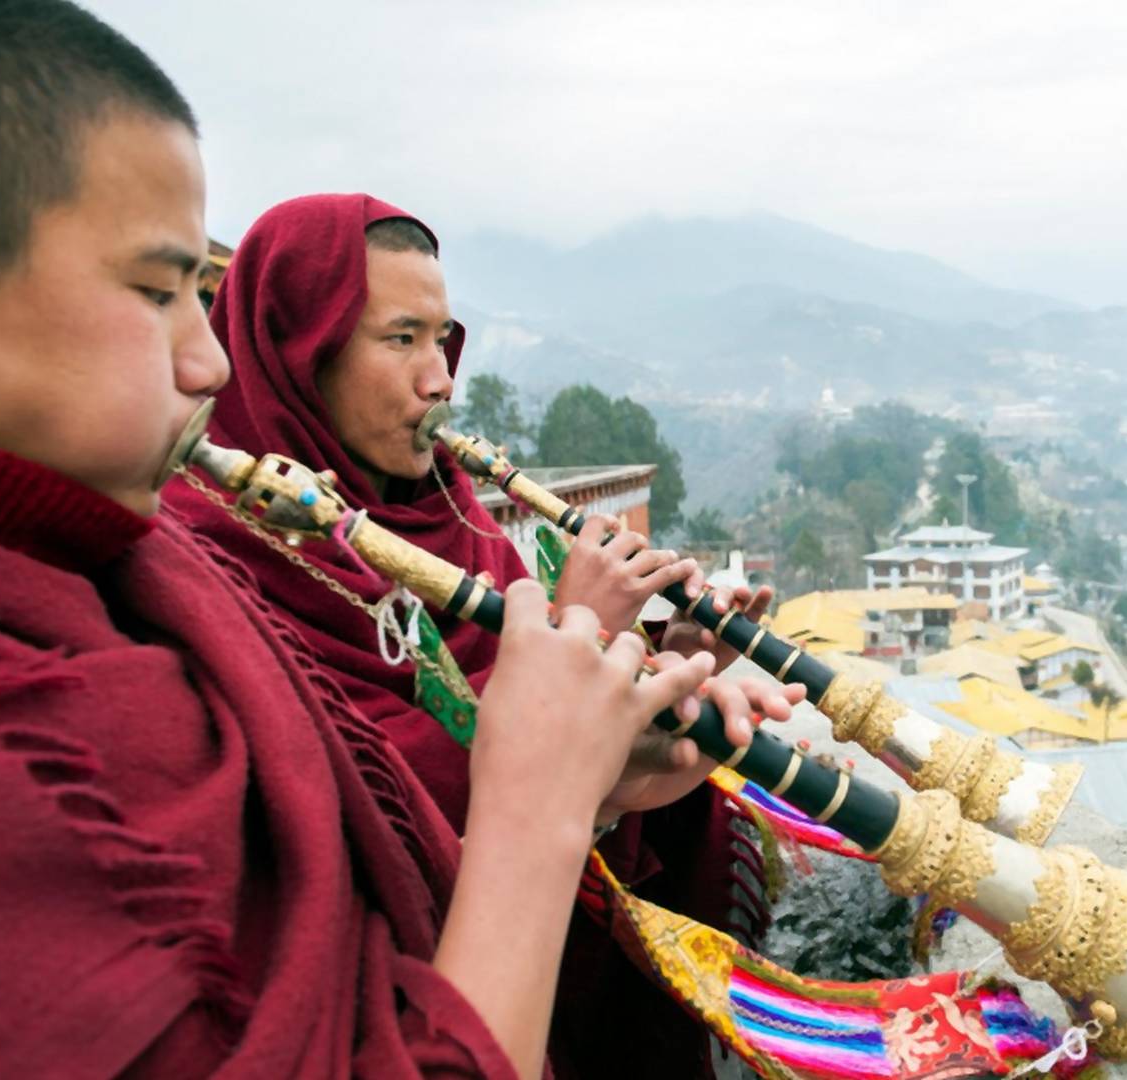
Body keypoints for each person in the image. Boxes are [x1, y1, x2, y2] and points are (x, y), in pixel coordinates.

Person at [0, 2, 779, 1075]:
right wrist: (538, 794)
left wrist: (618, 759)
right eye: (158, 292)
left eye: (448, 342)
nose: (207, 366)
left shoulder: (114, 568)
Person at [166, 193, 789, 1078]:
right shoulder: (216, 546)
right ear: (296, 349)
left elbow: (542, 732)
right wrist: (583, 631)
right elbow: (363, 807)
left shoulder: (455, 521)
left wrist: (676, 663)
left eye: (443, 342)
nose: (440, 382)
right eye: (400, 339)